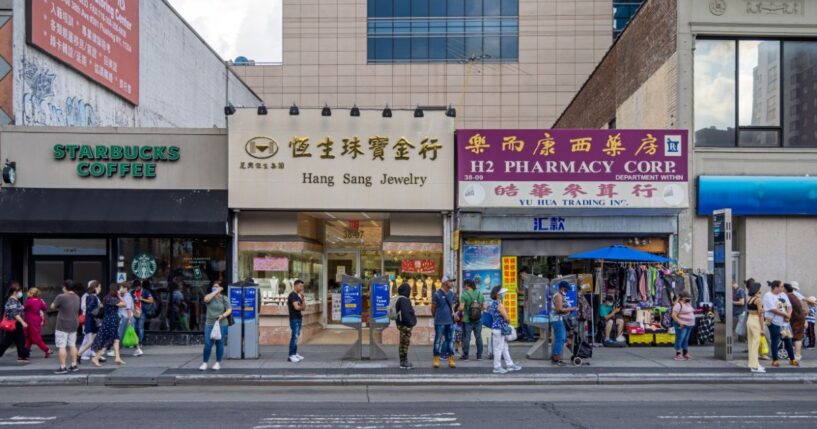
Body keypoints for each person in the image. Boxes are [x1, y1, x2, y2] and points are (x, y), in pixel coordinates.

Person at [487, 286, 521, 374]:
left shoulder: (493, 303)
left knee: (504, 348)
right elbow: (506, 318)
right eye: (503, 293)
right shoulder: (499, 304)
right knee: (498, 349)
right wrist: (509, 320)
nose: (504, 294)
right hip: (499, 329)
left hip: (497, 329)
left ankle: (510, 364)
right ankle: (497, 367)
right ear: (498, 295)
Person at [90, 284, 126, 367]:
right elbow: (124, 304)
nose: (119, 291)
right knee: (108, 341)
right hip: (111, 322)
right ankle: (96, 358)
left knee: (116, 340)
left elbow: (101, 306)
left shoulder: (107, 297)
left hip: (109, 320)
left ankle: (117, 357)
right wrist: (119, 296)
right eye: (118, 290)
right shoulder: (113, 299)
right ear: (115, 290)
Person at [763, 280, 797, 367]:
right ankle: (775, 360)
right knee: (775, 340)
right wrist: (785, 314)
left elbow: (789, 306)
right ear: (776, 287)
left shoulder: (783, 294)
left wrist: (788, 315)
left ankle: (792, 359)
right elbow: (772, 309)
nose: (783, 288)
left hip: (785, 323)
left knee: (788, 340)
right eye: (781, 286)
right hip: (773, 322)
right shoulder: (768, 296)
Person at [200, 281, 231, 371]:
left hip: (222, 324)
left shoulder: (224, 298)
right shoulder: (209, 297)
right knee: (207, 344)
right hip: (209, 324)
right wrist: (215, 292)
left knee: (219, 344)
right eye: (213, 286)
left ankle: (217, 362)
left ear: (221, 288)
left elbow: (229, 310)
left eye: (217, 286)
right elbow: (206, 300)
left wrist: (223, 316)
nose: (215, 288)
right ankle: (205, 363)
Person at [51, 280, 81, 374]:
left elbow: (52, 306)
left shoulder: (61, 296)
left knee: (62, 346)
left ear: (65, 287)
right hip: (74, 323)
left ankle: (63, 367)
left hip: (62, 324)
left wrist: (58, 307)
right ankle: (74, 365)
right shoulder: (77, 297)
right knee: (72, 344)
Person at [0, 282, 31, 363]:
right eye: (20, 291)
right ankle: (22, 356)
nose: (21, 293)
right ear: (15, 291)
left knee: (20, 340)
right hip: (13, 323)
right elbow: (15, 314)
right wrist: (23, 322)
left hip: (17, 324)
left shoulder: (16, 300)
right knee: (6, 342)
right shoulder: (12, 301)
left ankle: (22, 356)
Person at [431, 277, 457, 368]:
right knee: (438, 340)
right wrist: (436, 317)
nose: (452, 283)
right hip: (439, 321)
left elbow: (452, 307)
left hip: (450, 321)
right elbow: (433, 308)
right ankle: (436, 359)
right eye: (450, 281)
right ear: (445, 282)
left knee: (450, 340)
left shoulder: (452, 294)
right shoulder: (437, 294)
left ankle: (451, 359)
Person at [551, 281, 576, 365]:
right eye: (566, 289)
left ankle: (556, 357)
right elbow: (559, 310)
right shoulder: (558, 296)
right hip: (557, 319)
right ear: (562, 288)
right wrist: (571, 309)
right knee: (560, 338)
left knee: (561, 337)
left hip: (558, 319)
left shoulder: (559, 295)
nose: (567, 291)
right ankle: (556, 358)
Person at [459, 279, 484, 360]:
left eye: (464, 285)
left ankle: (465, 356)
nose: (464, 287)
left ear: (467, 285)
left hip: (467, 320)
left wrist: (459, 310)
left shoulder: (464, 295)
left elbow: (461, 308)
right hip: (478, 319)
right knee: (478, 337)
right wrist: (478, 310)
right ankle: (479, 356)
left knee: (467, 338)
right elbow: (484, 307)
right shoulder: (480, 293)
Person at [77, 281, 103, 362]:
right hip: (92, 322)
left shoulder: (92, 296)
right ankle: (81, 354)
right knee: (91, 340)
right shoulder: (92, 297)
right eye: (99, 287)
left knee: (93, 340)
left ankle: (82, 354)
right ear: (95, 288)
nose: (100, 288)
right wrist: (100, 307)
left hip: (92, 321)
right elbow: (91, 311)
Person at [744, 281, 766, 373]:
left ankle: (755, 364)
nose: (760, 289)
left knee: (751, 343)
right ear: (757, 289)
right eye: (760, 288)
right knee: (755, 344)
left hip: (750, 320)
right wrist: (762, 327)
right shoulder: (758, 300)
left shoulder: (750, 299)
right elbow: (760, 315)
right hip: (756, 321)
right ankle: (754, 366)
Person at [23, 287, 50, 358]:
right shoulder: (39, 301)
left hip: (29, 321)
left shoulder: (29, 301)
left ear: (31, 294)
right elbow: (45, 308)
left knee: (36, 338)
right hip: (36, 320)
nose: (27, 293)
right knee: (29, 337)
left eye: (29, 292)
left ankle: (47, 350)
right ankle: (26, 352)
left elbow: (24, 308)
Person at [108, 282, 134, 357]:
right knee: (123, 334)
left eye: (121, 287)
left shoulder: (127, 296)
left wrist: (129, 319)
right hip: (125, 317)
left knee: (119, 334)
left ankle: (115, 351)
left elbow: (128, 308)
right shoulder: (126, 296)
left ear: (126, 288)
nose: (120, 289)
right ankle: (137, 348)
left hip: (125, 317)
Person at [395, 281, 416, 369]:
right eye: (409, 290)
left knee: (402, 343)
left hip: (401, 324)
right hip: (405, 325)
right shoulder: (404, 300)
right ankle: (404, 362)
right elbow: (406, 314)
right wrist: (411, 324)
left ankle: (403, 361)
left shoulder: (399, 298)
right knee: (404, 343)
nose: (409, 292)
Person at [131, 280, 154, 357]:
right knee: (133, 328)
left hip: (142, 312)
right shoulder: (132, 292)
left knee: (140, 328)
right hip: (134, 312)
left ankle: (140, 342)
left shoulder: (145, 292)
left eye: (137, 287)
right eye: (135, 287)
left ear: (140, 286)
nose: (136, 288)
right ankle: (135, 343)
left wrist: (142, 299)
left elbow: (151, 300)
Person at [784, 283, 805, 362]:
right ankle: (796, 354)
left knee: (797, 337)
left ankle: (797, 355)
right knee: (796, 337)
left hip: (797, 319)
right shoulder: (793, 295)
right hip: (798, 318)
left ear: (786, 289)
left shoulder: (788, 297)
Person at [671, 291, 695, 361]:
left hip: (689, 325)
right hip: (682, 325)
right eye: (687, 297)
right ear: (682, 298)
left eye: (689, 297)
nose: (688, 299)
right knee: (680, 338)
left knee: (686, 339)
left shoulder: (688, 304)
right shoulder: (678, 305)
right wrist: (680, 323)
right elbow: (673, 315)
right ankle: (678, 353)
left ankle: (685, 353)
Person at [287, 279, 305, 363]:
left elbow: (304, 308)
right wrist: (300, 306)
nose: (302, 288)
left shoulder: (298, 296)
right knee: (294, 336)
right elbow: (296, 307)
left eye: (302, 286)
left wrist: (303, 298)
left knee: (296, 336)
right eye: (300, 286)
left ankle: (294, 353)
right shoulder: (292, 295)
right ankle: (291, 355)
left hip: (298, 318)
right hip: (294, 319)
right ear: (296, 285)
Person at [517, 267, 535, 342]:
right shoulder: (523, 281)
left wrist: (519, 292)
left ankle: (531, 336)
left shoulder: (529, 281)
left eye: (521, 275)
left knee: (528, 321)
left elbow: (530, 293)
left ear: (524, 273)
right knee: (522, 321)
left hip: (528, 305)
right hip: (521, 304)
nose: (521, 277)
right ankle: (526, 335)